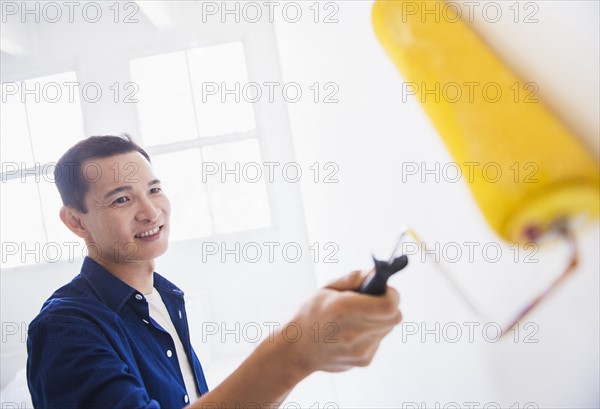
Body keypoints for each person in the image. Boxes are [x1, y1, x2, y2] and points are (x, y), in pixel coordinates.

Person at [26, 134, 402, 408]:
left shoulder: (164, 298)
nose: (151, 212)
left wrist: (303, 354)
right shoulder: (65, 328)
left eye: (154, 190)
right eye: (122, 199)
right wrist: (291, 353)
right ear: (75, 221)